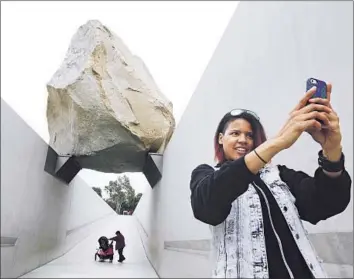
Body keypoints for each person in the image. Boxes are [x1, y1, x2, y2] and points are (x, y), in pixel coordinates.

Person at [189, 84, 351, 279]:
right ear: (221, 139)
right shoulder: (206, 174)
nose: (243, 140)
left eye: (250, 135)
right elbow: (206, 206)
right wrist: (277, 142)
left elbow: (326, 203)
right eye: (235, 133)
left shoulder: (279, 175)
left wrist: (332, 151)